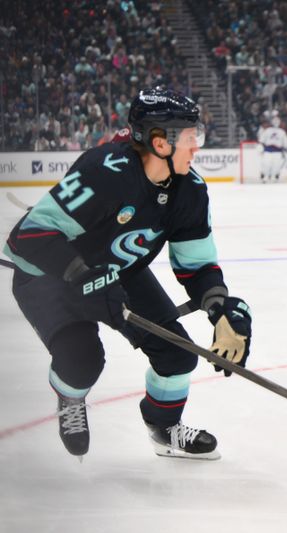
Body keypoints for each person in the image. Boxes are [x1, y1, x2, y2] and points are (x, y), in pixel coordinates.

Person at [3, 87, 253, 460]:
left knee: (178, 355)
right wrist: (82, 275)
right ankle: (70, 397)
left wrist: (220, 307)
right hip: (49, 275)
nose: (196, 147)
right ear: (159, 142)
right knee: (82, 359)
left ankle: (164, 427)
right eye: (190, 138)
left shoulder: (191, 190)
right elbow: (30, 236)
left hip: (119, 272)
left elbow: (197, 264)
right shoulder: (104, 171)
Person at [257, 115, 287, 182]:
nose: (276, 122)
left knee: (276, 165)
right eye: (274, 121)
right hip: (268, 150)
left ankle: (274, 176)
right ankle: (264, 176)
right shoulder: (267, 130)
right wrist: (261, 148)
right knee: (266, 163)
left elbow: (285, 142)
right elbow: (261, 140)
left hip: (278, 151)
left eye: (277, 121)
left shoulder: (282, 132)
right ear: (272, 122)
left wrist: (285, 149)